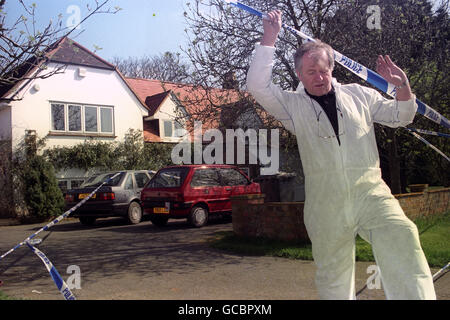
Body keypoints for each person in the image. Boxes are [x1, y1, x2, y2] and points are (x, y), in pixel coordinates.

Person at [246, 10, 436, 300]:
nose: (319, 78)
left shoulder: (360, 94)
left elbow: (401, 115)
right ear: (299, 74)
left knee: (403, 236)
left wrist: (402, 86)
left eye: (324, 70)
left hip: (371, 193)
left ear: (332, 69)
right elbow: (258, 86)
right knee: (333, 277)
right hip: (326, 205)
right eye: (311, 72)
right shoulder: (291, 106)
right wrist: (270, 38)